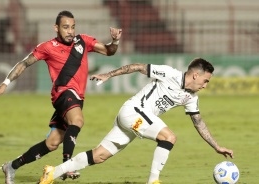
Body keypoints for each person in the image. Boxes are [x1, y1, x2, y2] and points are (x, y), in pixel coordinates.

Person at [37, 58, 234, 184]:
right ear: (195, 74)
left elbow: (198, 122)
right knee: (169, 137)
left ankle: (52, 173)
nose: (205, 85)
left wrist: (216, 146)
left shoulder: (191, 97)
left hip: (135, 122)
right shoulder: (169, 73)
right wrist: (108, 75)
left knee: (99, 156)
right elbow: (137, 67)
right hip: (133, 112)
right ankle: (154, 181)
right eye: (206, 81)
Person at [0, 10, 122, 184]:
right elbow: (24, 63)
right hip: (62, 94)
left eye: (73, 27)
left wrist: (115, 40)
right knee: (78, 121)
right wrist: (5, 83)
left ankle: (11, 166)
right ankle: (67, 164)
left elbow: (110, 51)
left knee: (52, 143)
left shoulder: (83, 41)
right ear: (56, 28)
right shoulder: (47, 47)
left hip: (76, 98)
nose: (70, 31)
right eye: (66, 27)